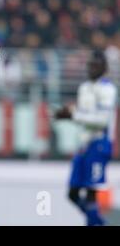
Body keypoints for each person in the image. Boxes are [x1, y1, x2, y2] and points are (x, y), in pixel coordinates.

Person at [55, 50, 117, 226]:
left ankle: (95, 223)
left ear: (104, 68)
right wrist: (69, 114)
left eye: (96, 66)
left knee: (91, 193)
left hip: (100, 144)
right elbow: (85, 118)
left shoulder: (108, 89)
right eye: (90, 65)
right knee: (73, 193)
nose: (91, 69)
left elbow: (102, 120)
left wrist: (73, 116)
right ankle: (99, 222)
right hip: (84, 145)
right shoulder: (84, 88)